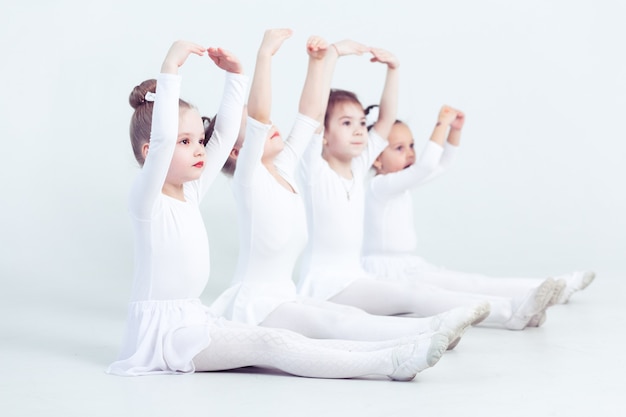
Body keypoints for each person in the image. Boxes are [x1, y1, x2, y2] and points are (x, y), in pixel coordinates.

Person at [106, 39, 446, 381]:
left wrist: (236, 76)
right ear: (151, 152)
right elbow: (167, 139)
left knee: (287, 340)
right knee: (273, 344)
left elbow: (223, 137)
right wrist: (171, 70)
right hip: (165, 333)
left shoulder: (190, 193)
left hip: (192, 317)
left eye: (198, 140)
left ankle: (393, 352)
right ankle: (387, 364)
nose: (199, 149)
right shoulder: (147, 200)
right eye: (185, 141)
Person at [210, 29, 479, 349]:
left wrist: (318, 62)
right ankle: (428, 333)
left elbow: (310, 115)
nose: (270, 126)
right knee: (339, 321)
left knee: (350, 316)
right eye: (259, 128)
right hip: (256, 303)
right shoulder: (249, 178)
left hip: (287, 294)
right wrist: (265, 56)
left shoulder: (285, 168)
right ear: (238, 152)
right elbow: (260, 117)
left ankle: (432, 329)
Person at [296, 45, 492, 339]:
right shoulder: (314, 170)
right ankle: (467, 317)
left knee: (407, 297)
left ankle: (449, 324)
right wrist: (331, 57)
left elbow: (386, 119)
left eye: (362, 123)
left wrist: (394, 69)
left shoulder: (360, 167)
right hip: (325, 286)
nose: (360, 130)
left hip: (356, 279)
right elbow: (311, 113)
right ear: (323, 135)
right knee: (409, 294)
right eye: (346, 124)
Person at [361, 105, 596, 328]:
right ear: (377, 159)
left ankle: (554, 288)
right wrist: (441, 124)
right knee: (458, 290)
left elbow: (440, 166)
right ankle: (522, 305)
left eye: (412, 145)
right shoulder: (380, 186)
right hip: (386, 272)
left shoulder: (399, 186)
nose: (411, 153)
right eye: (400, 148)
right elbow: (425, 166)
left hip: (406, 265)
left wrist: (454, 131)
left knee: (472, 282)